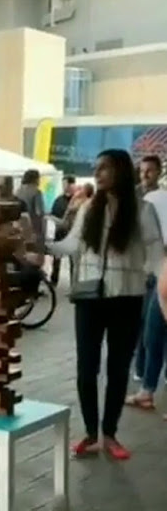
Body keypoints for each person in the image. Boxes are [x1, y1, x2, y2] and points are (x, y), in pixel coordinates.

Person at [46, 149, 164, 459]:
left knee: (118, 369)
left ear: (120, 172)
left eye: (104, 168)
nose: (97, 174)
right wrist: (40, 247)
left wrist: (160, 285)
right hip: (90, 299)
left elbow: (157, 257)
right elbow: (71, 245)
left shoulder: (142, 211)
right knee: (86, 368)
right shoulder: (89, 208)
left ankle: (110, 433)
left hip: (127, 298)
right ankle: (90, 433)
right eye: (96, 168)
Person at [126, 164, 167, 409]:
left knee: (154, 332)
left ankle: (147, 389)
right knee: (153, 331)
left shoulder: (153, 199)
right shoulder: (153, 198)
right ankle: (147, 390)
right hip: (160, 273)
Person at [50, 175, 76, 286]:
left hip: (73, 233)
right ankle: (54, 280)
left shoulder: (77, 200)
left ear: (72, 185)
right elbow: (53, 214)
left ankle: (73, 282)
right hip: (60, 233)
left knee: (73, 260)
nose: (64, 186)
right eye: (63, 184)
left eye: (66, 184)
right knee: (57, 258)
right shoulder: (58, 200)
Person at [16, 169, 45, 250]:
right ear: (35, 179)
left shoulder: (18, 191)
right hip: (33, 229)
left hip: (20, 228)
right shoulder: (36, 192)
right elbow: (39, 212)